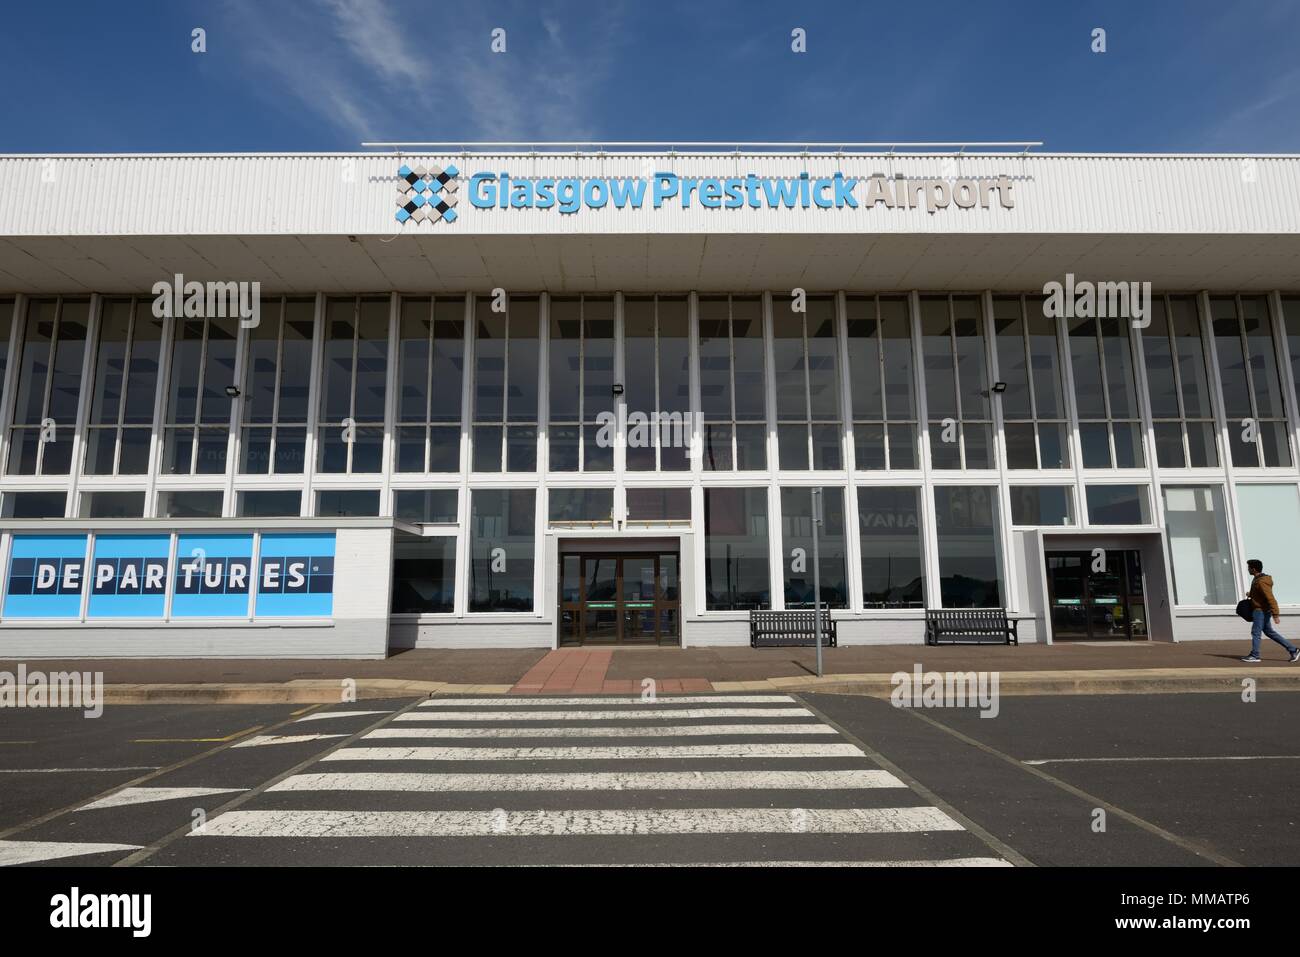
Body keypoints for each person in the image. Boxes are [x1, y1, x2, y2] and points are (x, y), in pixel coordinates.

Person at [1240, 559, 1300, 663]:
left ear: (1253, 569)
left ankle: (1255, 655)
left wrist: (1275, 614)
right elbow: (1262, 595)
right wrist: (1251, 594)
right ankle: (1293, 650)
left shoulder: (1261, 581)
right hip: (1261, 610)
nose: (1248, 569)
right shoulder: (1258, 579)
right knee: (1269, 632)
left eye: (1249, 567)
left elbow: (1270, 598)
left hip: (1260, 611)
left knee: (1256, 632)